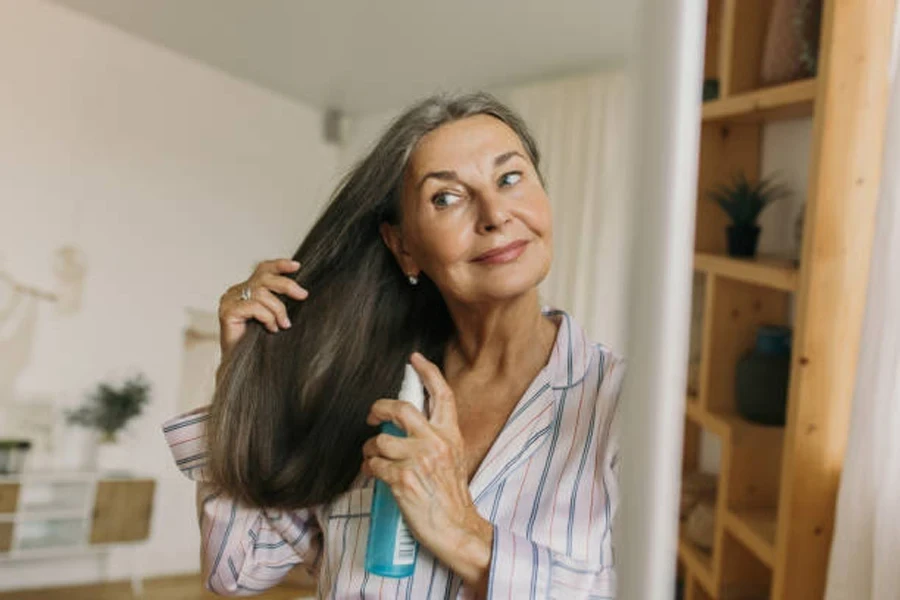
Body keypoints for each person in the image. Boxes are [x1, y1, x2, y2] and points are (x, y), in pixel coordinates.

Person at [162, 92, 624, 599]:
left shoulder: (624, 406)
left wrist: (467, 536)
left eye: (510, 178)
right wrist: (241, 374)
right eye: (446, 197)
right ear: (404, 247)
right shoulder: (363, 395)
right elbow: (237, 569)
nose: (495, 214)